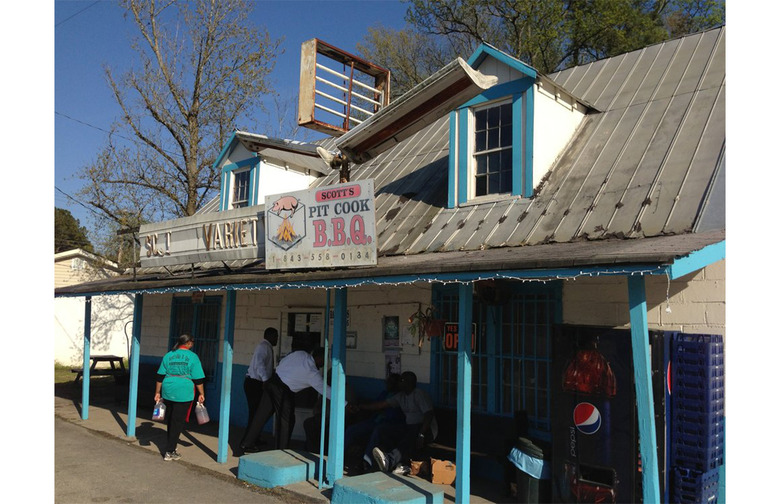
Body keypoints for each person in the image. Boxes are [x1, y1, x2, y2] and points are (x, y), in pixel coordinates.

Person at [240, 346, 343, 453]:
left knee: (261, 415)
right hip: (283, 390)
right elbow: (326, 390)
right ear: (320, 358)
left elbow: (283, 360)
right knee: (286, 420)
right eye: (324, 360)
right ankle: (281, 451)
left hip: (272, 381)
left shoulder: (301, 353)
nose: (324, 364)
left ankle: (246, 444)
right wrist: (343, 402)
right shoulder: (312, 373)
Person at [361, 371, 438, 474]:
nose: (399, 383)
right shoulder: (401, 396)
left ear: (409, 382)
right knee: (383, 429)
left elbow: (428, 414)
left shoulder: (419, 394)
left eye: (401, 380)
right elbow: (381, 405)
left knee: (412, 432)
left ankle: (390, 460)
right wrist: (360, 407)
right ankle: (370, 460)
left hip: (426, 429)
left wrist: (422, 434)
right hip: (410, 427)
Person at [154, 333, 206, 461]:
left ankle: (171, 446)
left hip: (168, 390)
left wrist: (157, 392)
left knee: (172, 419)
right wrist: (201, 393)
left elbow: (160, 376)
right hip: (183, 392)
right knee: (177, 421)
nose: (192, 344)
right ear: (188, 343)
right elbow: (198, 378)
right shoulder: (193, 357)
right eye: (192, 342)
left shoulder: (169, 355)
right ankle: (170, 451)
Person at [243, 327, 278, 450]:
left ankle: (255, 438)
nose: (277, 339)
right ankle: (247, 442)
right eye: (276, 336)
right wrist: (266, 380)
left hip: (257, 382)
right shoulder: (264, 347)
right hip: (254, 383)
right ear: (270, 336)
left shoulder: (267, 347)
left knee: (258, 413)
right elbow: (259, 365)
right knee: (255, 414)